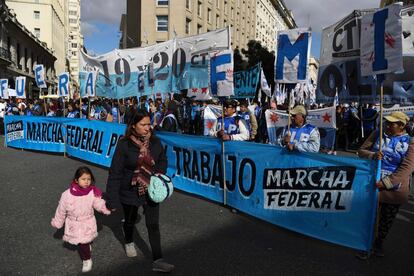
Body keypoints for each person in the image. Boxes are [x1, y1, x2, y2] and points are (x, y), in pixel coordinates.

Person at [105, 108, 174, 273]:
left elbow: (163, 159)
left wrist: (159, 173)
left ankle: (158, 260)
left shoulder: (155, 142)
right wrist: (112, 200)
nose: (147, 127)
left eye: (149, 124)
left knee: (153, 224)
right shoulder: (124, 144)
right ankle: (128, 240)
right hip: (129, 190)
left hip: (151, 189)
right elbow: (115, 173)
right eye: (143, 124)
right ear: (133, 125)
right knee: (129, 221)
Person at [358, 111, 414, 259]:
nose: (387, 125)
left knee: (385, 222)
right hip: (372, 184)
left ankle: (378, 243)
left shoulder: (411, 142)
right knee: (369, 218)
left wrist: (386, 183)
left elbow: (407, 168)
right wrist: (373, 155)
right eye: (387, 122)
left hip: (393, 190)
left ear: (402, 125)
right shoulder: (378, 133)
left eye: (392, 123)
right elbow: (361, 151)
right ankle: (366, 244)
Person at [51, 166, 111, 273]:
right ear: (76, 180)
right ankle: (86, 247)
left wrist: (105, 208)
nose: (87, 182)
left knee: (83, 243)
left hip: (87, 222)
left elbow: (98, 203)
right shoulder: (66, 195)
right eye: (83, 179)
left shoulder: (92, 192)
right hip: (73, 223)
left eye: (88, 179)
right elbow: (61, 210)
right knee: (80, 242)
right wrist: (58, 222)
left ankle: (87, 259)